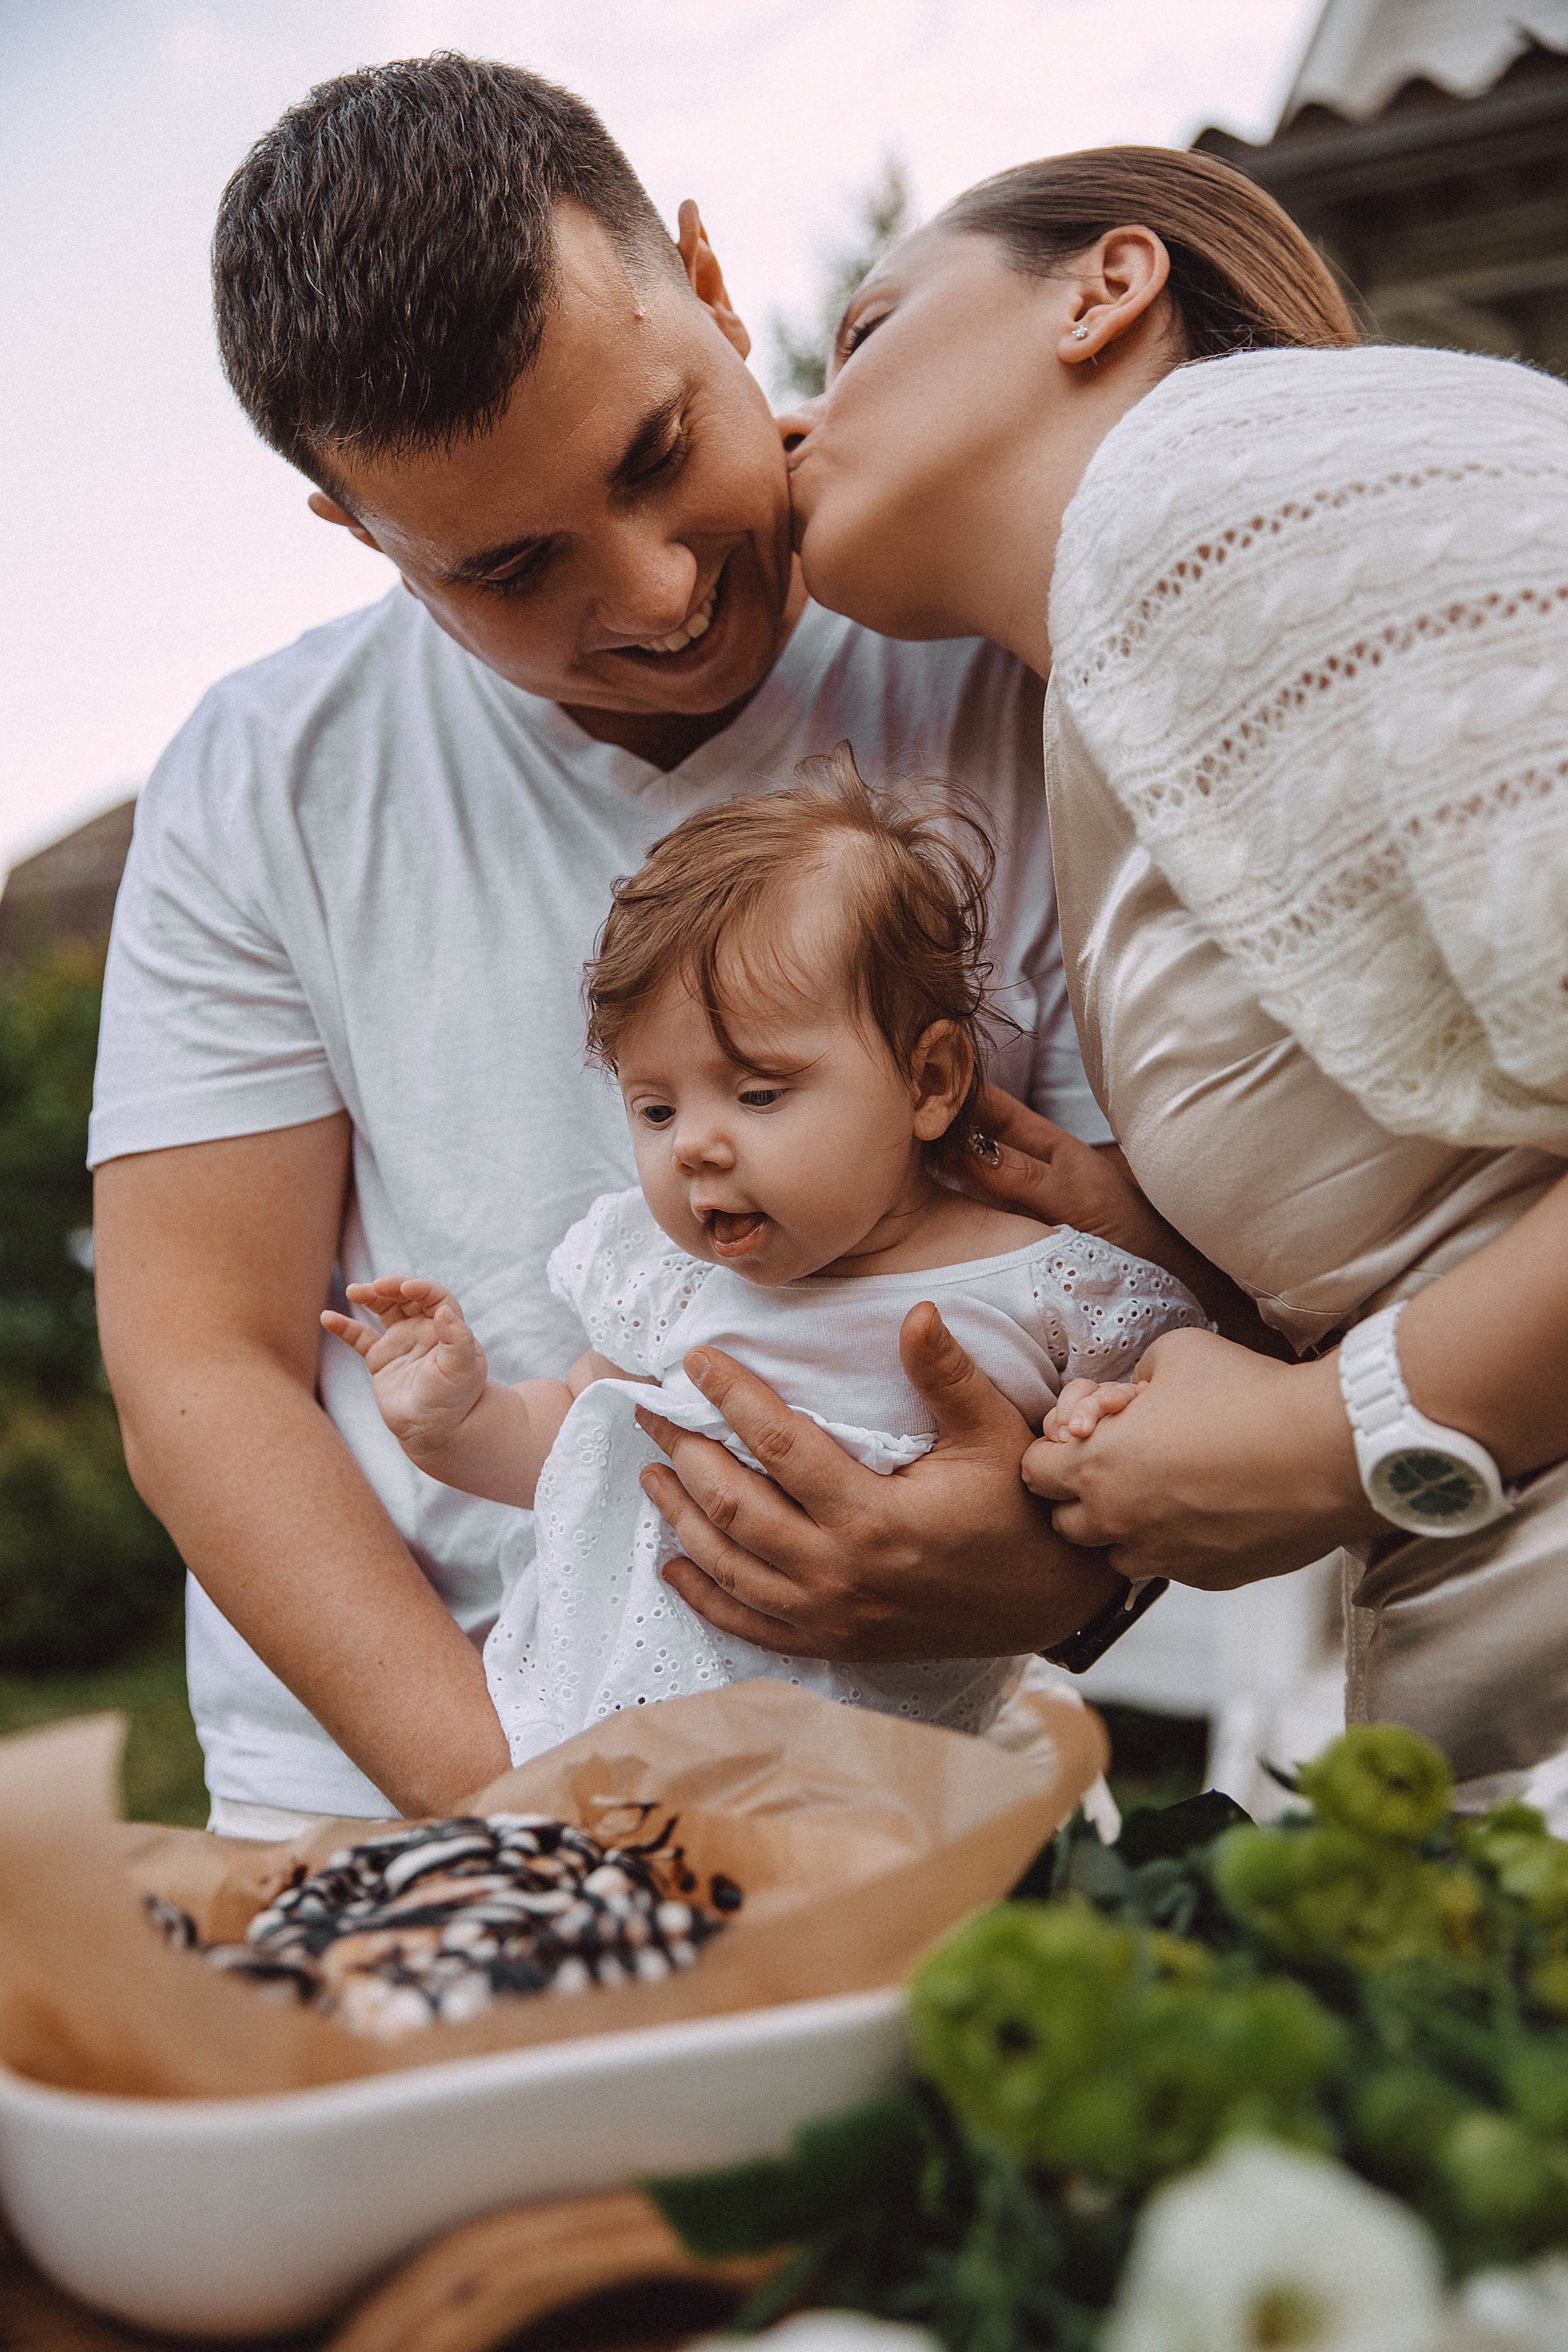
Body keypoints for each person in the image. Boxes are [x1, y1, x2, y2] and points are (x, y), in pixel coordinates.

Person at [88, 59, 1156, 1836]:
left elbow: (1198, 1268)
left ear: (714, 287)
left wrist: (1061, 1572)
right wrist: (542, 1819)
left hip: (917, 1781)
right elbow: (201, 1360)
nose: (655, 595)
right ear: (362, 538)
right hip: (393, 1801)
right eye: (513, 569)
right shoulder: (265, 778)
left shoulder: (1005, 631)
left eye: (659, 453)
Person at [651, 143, 1568, 1815]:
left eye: (860, 336)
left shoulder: (1216, 486)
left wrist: (1333, 1443)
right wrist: (1160, 1252)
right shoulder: (1134, 653)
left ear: (1106, 287)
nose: (794, 424)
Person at [321, 753, 1206, 1763]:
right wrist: (459, 1421)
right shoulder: (673, 1286)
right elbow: (576, 1448)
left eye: (757, 1093)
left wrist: (1106, 1429)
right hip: (623, 1756)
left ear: (931, 1081)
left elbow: (1182, 1430)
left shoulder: (1048, 1286)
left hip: (901, 1788)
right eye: (656, 1108)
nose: (692, 1145)